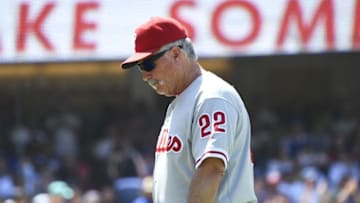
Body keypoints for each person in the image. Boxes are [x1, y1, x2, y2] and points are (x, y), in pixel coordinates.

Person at [121, 16, 257, 203]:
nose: (145, 76)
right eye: (140, 67)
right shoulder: (183, 101)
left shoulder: (211, 96)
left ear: (176, 54)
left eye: (148, 64)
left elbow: (211, 169)